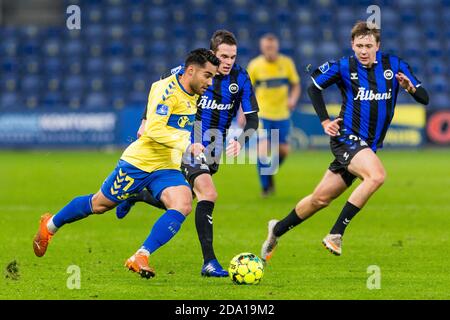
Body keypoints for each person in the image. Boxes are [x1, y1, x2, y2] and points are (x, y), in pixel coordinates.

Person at [32, 49, 220, 279]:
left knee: (182, 204)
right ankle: (49, 225)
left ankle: (141, 255)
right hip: (138, 163)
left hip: (166, 165)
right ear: (191, 71)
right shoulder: (166, 90)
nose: (210, 82)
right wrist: (188, 145)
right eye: (207, 75)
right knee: (99, 205)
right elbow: (154, 129)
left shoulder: (193, 90)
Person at [261, 21, 429, 260]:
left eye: (368, 45)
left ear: (377, 46)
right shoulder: (344, 66)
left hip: (367, 146)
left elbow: (425, 97)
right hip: (345, 136)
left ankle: (276, 229)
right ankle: (335, 234)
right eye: (359, 45)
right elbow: (313, 87)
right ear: (352, 44)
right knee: (377, 176)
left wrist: (410, 89)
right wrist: (324, 121)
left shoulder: (395, 65)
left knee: (320, 199)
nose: (363, 50)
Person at [115, 30, 259, 277]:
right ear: (212, 54)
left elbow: (253, 119)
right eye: (224, 56)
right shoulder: (188, 71)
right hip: (187, 142)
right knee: (208, 193)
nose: (228, 62)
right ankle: (209, 262)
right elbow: (159, 90)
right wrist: (145, 120)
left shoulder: (242, 78)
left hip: (214, 146)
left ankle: (138, 194)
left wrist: (242, 140)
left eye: (233, 57)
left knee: (185, 201)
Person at [247, 33, 301, 197]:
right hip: (263, 114)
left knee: (284, 150)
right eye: (266, 47)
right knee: (262, 150)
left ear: (276, 47)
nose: (269, 50)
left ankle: (269, 172)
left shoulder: (286, 63)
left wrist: (292, 98)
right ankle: (266, 187)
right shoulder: (255, 65)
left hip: (282, 115)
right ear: (262, 48)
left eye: (272, 47)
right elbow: (247, 91)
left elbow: (296, 84)